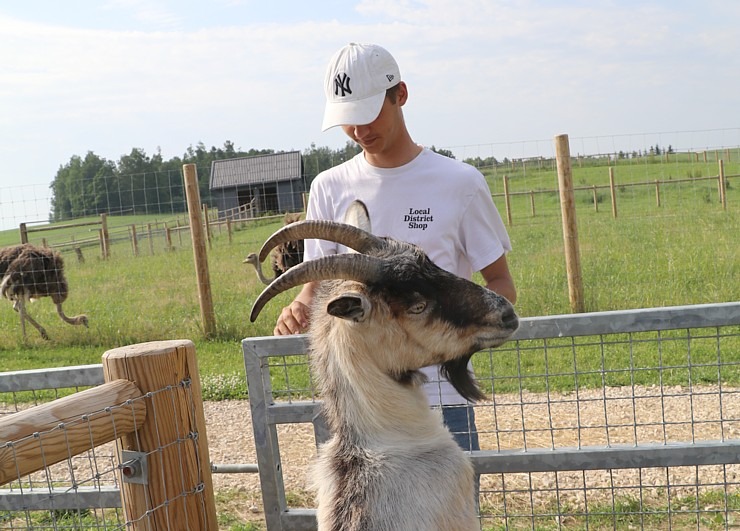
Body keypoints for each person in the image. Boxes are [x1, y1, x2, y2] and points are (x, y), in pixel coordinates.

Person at [274, 42, 517, 453]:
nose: (359, 131)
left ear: (400, 94)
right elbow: (316, 286)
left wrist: (455, 340)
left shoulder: (459, 183)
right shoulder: (329, 188)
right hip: (364, 408)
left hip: (441, 403)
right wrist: (298, 306)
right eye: (347, 121)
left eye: (368, 114)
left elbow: (499, 281)